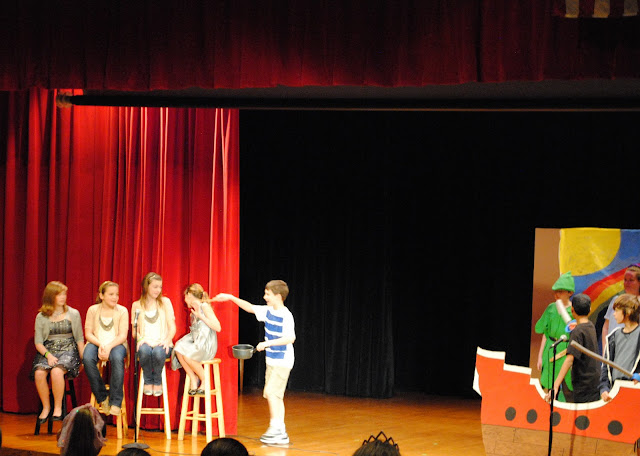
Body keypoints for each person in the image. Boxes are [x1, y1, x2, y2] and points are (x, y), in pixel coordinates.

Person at [213, 280, 296, 445]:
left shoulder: (286, 315)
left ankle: (276, 428)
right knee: (275, 395)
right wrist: (230, 297)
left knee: (272, 393)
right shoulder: (268, 311)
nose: (265, 297)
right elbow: (250, 307)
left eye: (268, 294)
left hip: (283, 360)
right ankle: (279, 429)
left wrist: (267, 343)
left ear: (278, 296)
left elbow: (290, 338)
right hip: (272, 360)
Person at [31, 281, 85, 422]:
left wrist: (83, 358)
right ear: (50, 296)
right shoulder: (41, 316)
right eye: (59, 295)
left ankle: (58, 407)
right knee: (39, 373)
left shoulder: (73, 313)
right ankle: (46, 407)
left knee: (56, 371)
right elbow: (38, 342)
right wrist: (48, 355)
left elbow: (79, 338)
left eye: (64, 294)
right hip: (49, 349)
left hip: (68, 349)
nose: (63, 297)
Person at [84, 281, 129, 416]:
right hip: (96, 342)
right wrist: (101, 345)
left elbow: (122, 336)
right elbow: (88, 333)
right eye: (111, 294)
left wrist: (108, 346)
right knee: (87, 357)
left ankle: (115, 401)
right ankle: (102, 396)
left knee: (117, 357)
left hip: (116, 344)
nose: (115, 297)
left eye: (117, 294)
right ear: (101, 295)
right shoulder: (93, 310)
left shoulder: (122, 311)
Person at [545, 294, 600, 403]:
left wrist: (555, 386)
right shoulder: (590, 326)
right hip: (594, 381)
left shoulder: (577, 331)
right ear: (590, 309)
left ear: (572, 310)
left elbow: (569, 359)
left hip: (583, 384)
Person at [131, 272, 176, 396]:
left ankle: (157, 381)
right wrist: (140, 339)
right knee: (144, 351)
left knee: (157, 352)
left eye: (160, 287)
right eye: (155, 287)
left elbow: (172, 327)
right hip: (145, 342)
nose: (158, 290)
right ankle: (148, 380)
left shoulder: (165, 302)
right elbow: (135, 331)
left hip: (162, 342)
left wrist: (167, 340)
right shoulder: (136, 305)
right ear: (146, 286)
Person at [171, 283, 221, 394]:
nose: (184, 300)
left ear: (189, 295)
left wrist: (201, 316)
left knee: (188, 355)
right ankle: (193, 378)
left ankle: (204, 380)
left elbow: (218, 327)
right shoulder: (193, 313)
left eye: (185, 296)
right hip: (197, 343)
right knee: (178, 349)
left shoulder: (204, 307)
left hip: (206, 345)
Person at [534, 271, 574, 402]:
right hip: (550, 349)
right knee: (548, 382)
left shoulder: (573, 311)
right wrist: (540, 356)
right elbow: (546, 334)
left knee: (565, 385)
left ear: (569, 293)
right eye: (556, 291)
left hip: (565, 350)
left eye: (561, 291)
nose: (557, 294)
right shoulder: (551, 308)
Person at [600, 293, 640, 402]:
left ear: (628, 312)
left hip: (634, 390)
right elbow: (606, 367)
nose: (614, 314)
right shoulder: (613, 336)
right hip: (615, 390)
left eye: (617, 310)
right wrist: (604, 389)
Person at [601, 264, 640, 352]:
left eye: (631, 280)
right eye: (625, 280)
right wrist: (605, 350)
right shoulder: (616, 300)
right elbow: (606, 327)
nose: (627, 283)